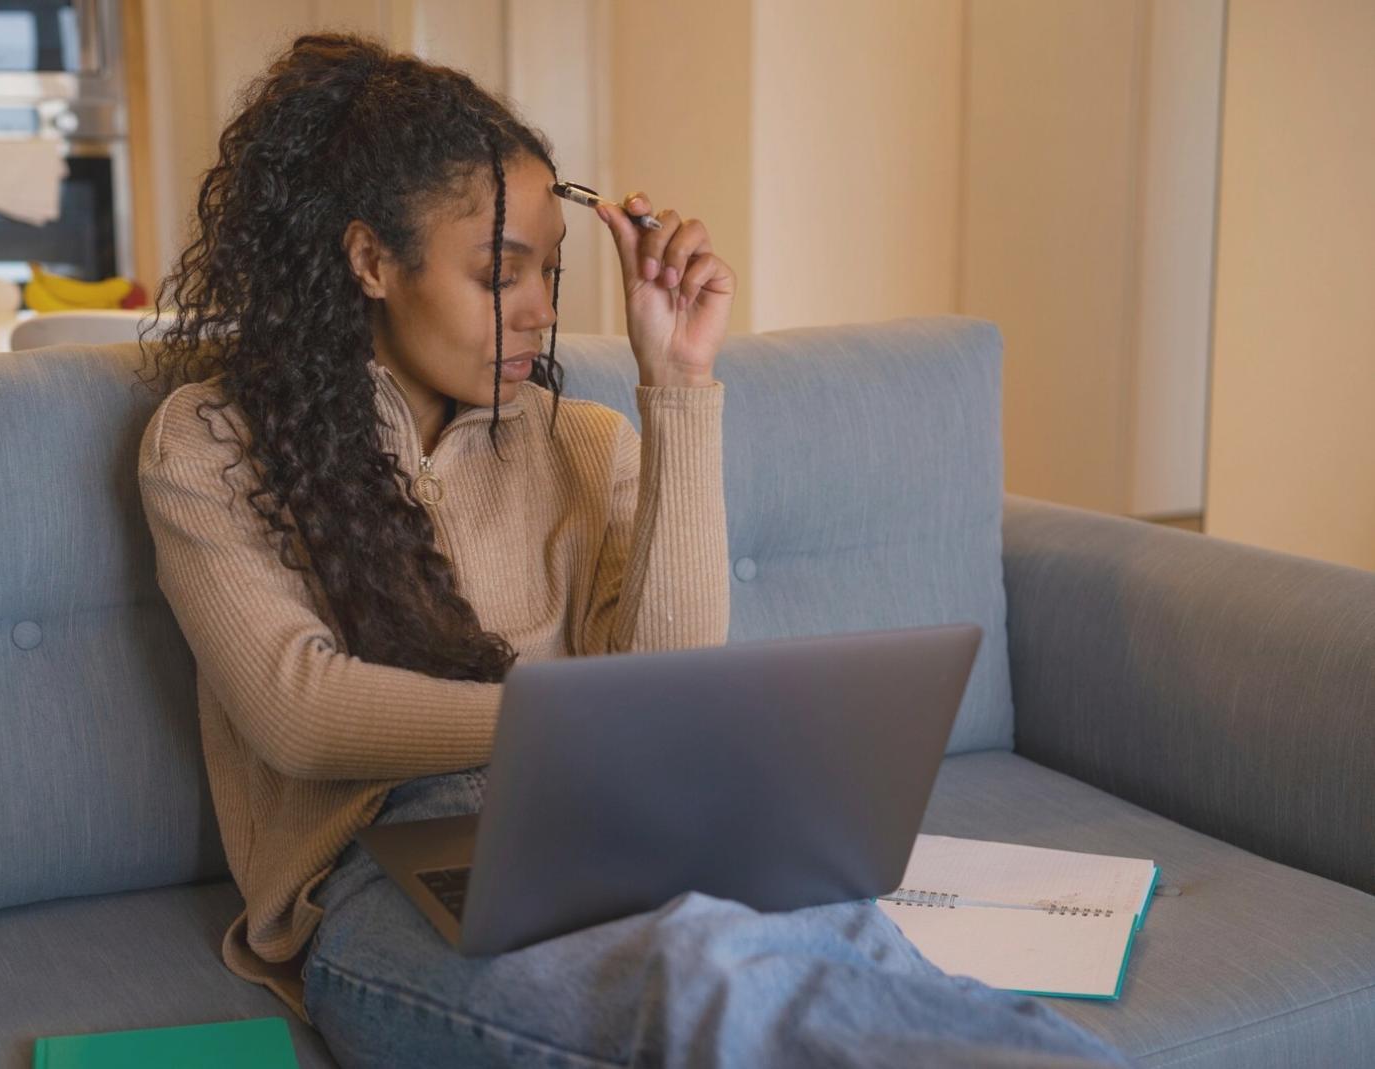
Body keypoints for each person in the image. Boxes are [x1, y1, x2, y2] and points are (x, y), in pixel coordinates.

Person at [133, 30, 1132, 1069]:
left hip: (623, 826)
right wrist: (569, 721)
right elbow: (303, 713)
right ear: (370, 259)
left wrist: (679, 381)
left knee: (844, 941)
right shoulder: (214, 441)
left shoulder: (581, 438)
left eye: (552, 275)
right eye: (497, 273)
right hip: (379, 877)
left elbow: (671, 671)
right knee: (707, 979)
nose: (538, 311)